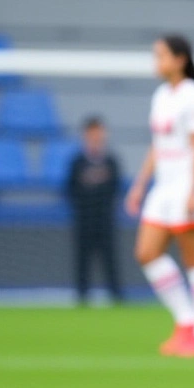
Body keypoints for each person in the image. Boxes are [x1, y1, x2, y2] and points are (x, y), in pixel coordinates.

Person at [125, 35, 194, 357]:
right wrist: (140, 185)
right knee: (146, 252)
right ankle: (186, 321)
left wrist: (192, 191)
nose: (157, 62)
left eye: (161, 55)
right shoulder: (161, 94)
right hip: (163, 188)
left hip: (188, 185)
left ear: (180, 59)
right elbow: (157, 144)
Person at [65, 116, 123, 305]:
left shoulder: (111, 161)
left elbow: (116, 188)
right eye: (93, 132)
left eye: (100, 132)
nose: (97, 136)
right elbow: (69, 189)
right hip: (84, 220)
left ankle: (116, 296)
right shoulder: (77, 163)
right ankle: (82, 297)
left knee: (110, 259)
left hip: (105, 219)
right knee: (82, 260)